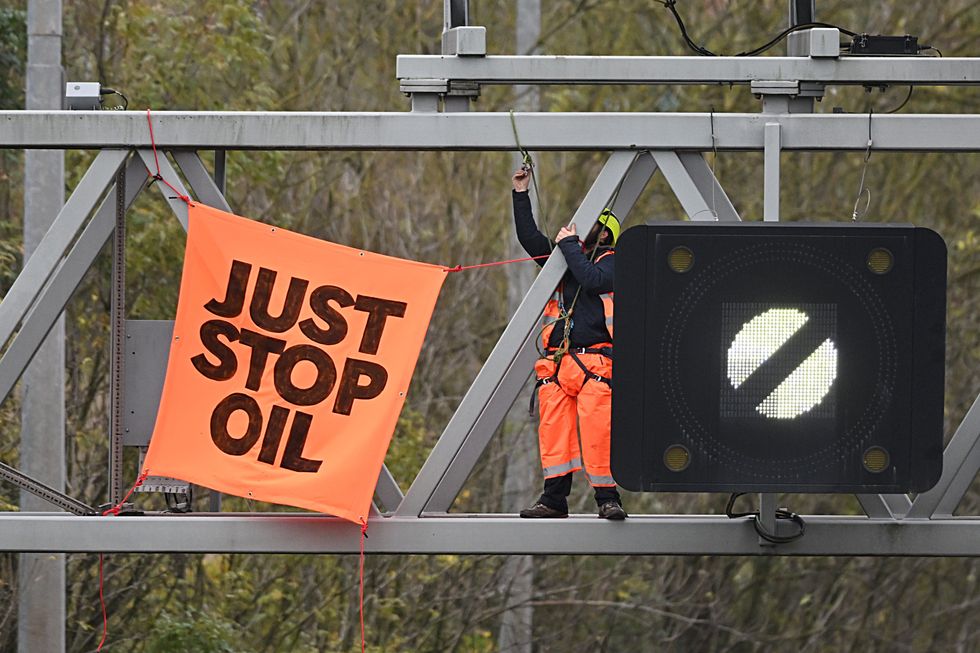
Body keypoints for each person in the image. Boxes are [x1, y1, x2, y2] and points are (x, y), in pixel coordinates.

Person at [512, 167, 627, 520]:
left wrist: (567, 246)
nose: (582, 229)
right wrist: (521, 194)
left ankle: (608, 499)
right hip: (559, 366)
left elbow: (592, 281)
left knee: (598, 433)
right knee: (554, 435)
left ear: (605, 232)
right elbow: (530, 239)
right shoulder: (565, 263)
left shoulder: (616, 263)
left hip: (596, 364)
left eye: (592, 224)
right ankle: (554, 499)